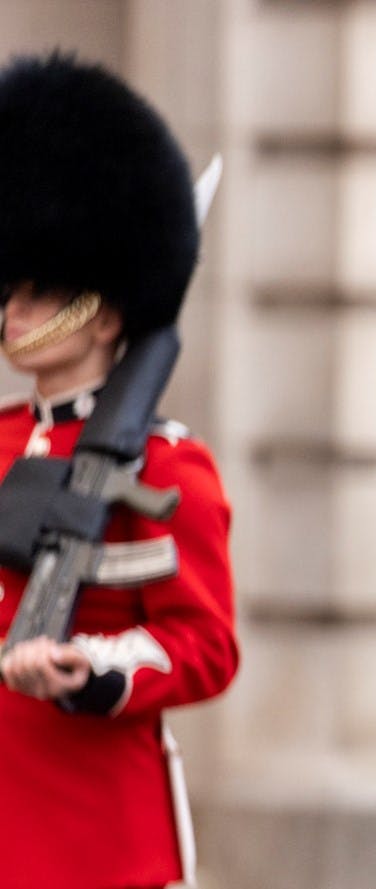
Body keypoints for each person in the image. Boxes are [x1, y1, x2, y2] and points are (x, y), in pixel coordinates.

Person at [0, 53, 239, 889]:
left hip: (93, 836)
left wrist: (94, 667)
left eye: (39, 292)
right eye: (11, 289)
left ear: (102, 313)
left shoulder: (170, 465)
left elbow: (206, 645)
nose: (13, 313)